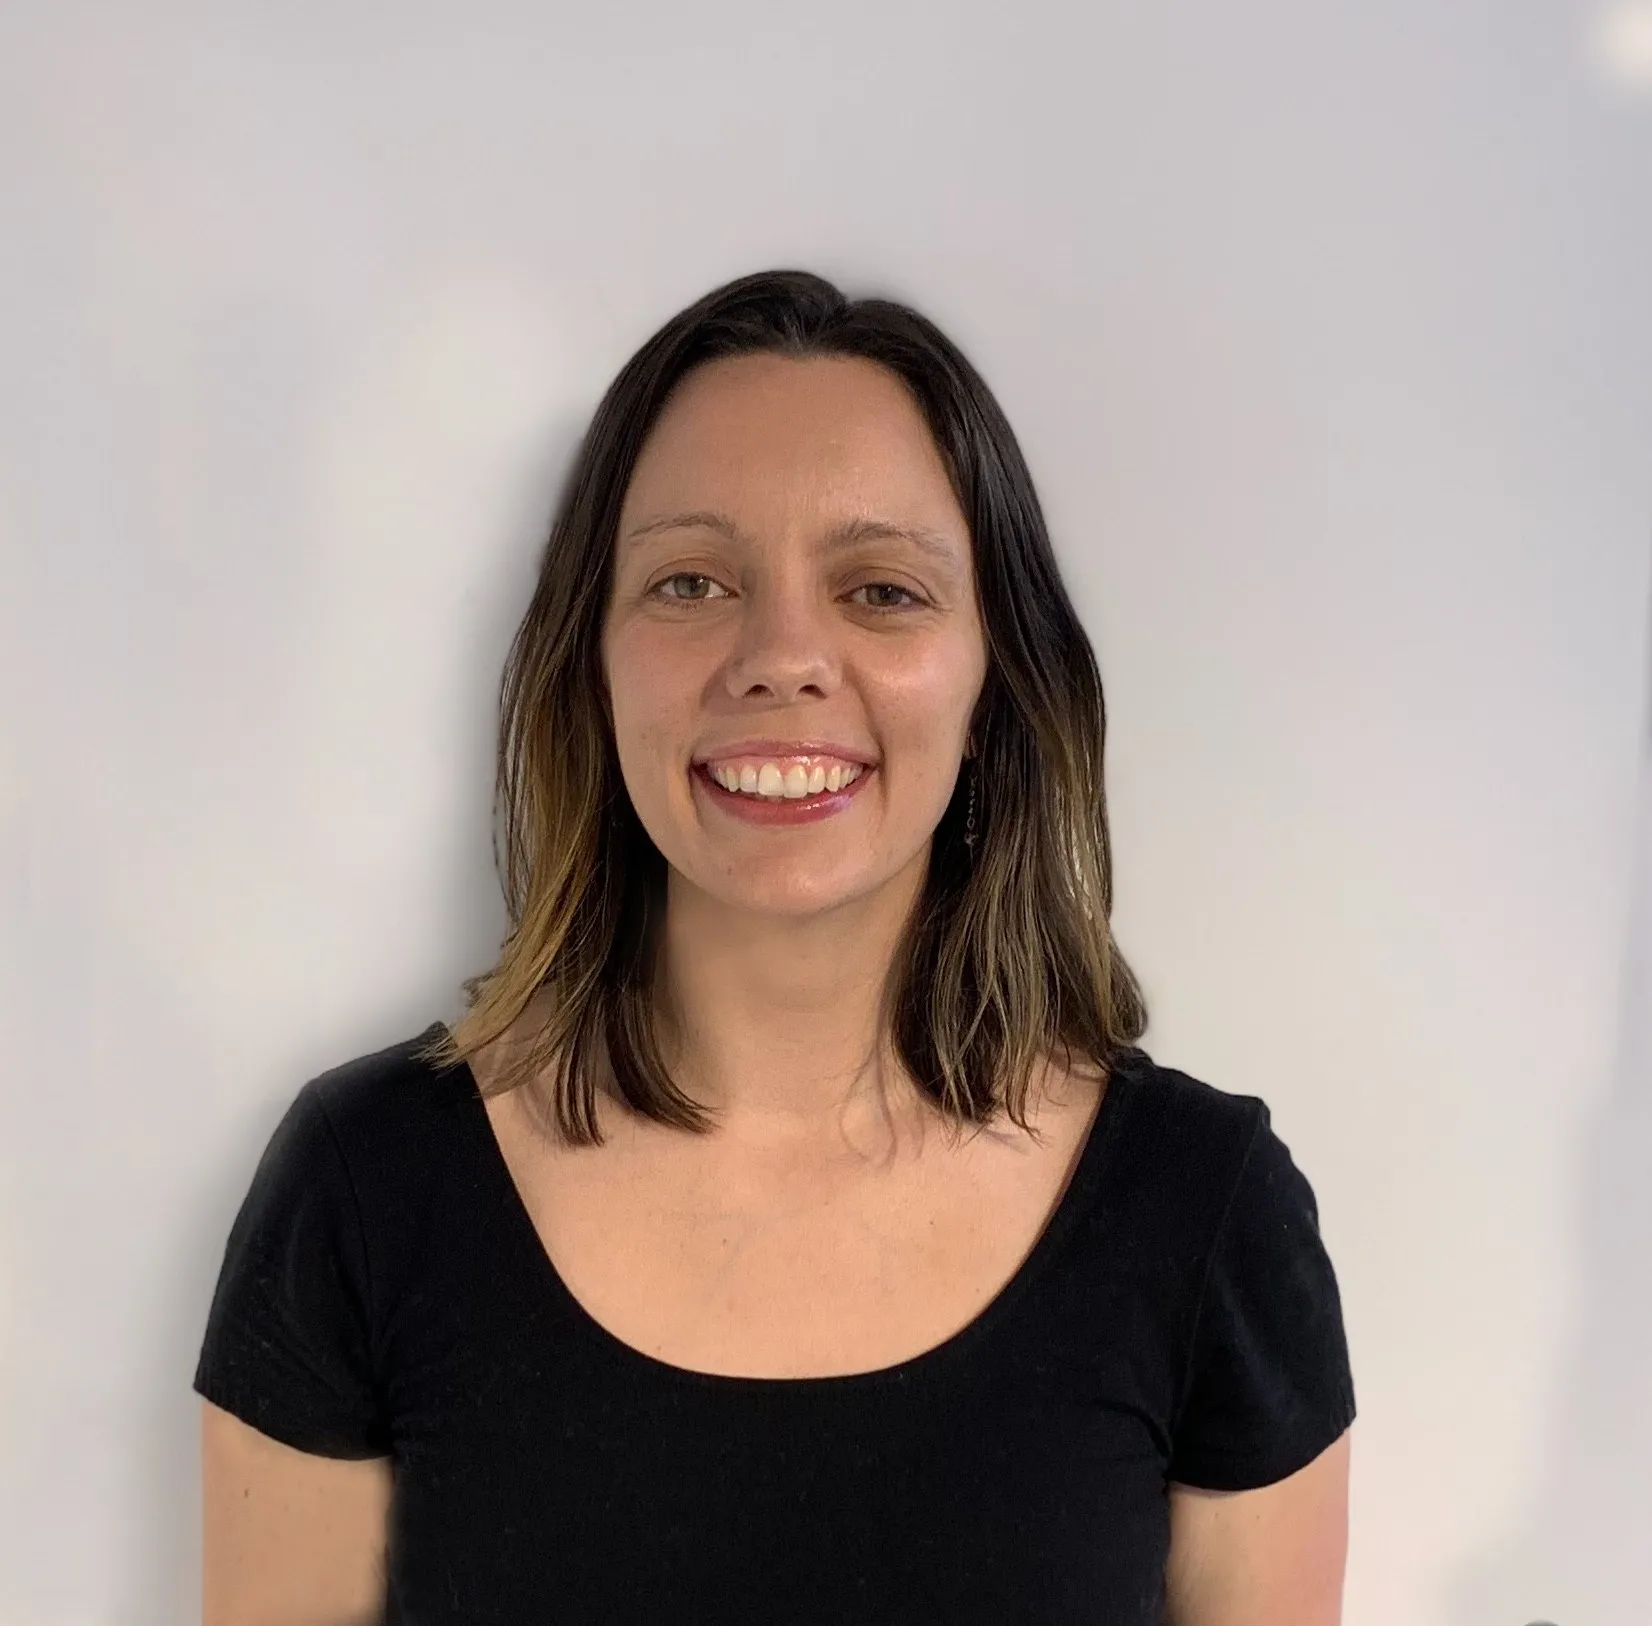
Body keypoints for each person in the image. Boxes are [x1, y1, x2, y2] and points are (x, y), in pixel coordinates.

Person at [194, 269, 1356, 1625]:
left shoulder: (1206, 1216)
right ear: (595, 660)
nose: (782, 654)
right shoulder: (365, 1190)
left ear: (995, 681)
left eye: (881, 590)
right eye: (693, 580)